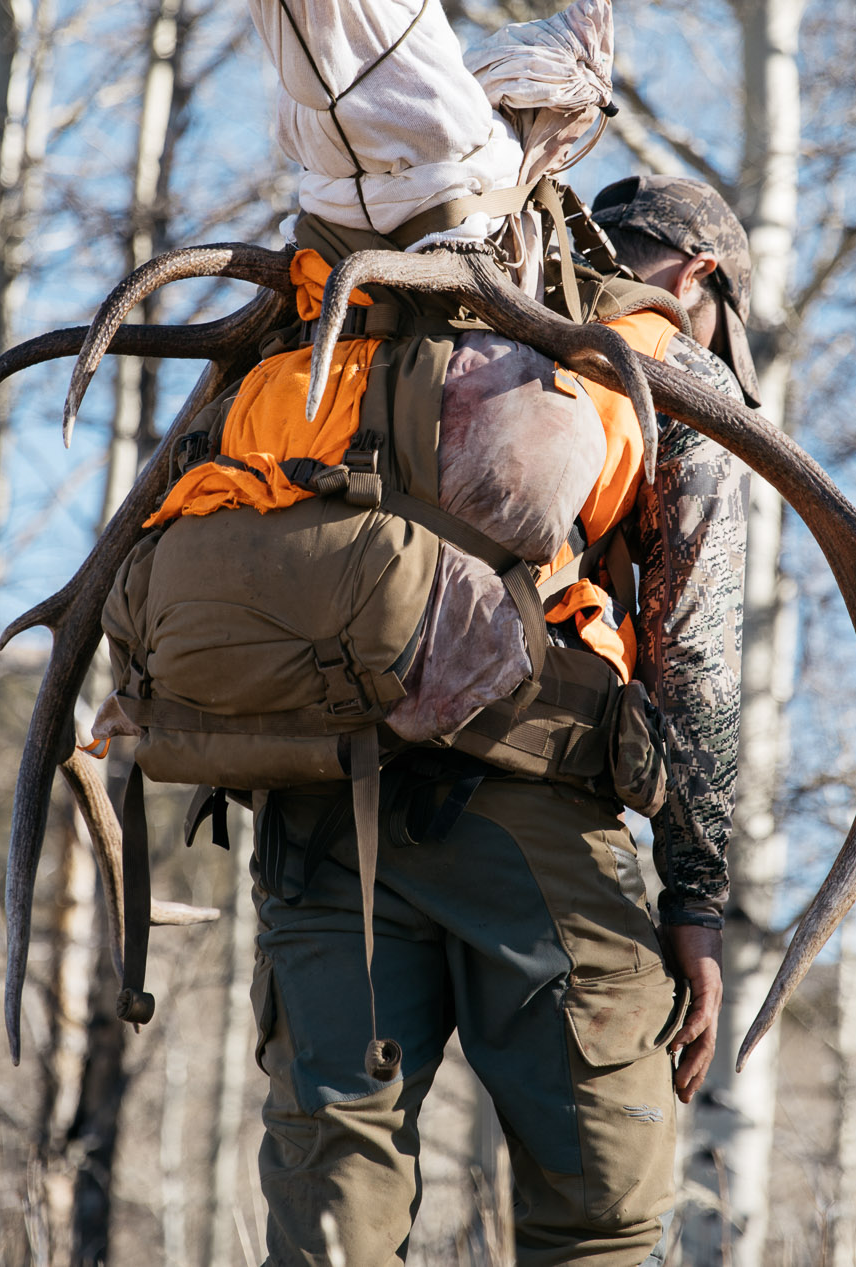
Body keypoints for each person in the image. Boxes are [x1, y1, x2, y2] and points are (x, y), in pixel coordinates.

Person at [246, 174, 755, 1267]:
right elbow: (695, 659)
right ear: (698, 275)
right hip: (532, 818)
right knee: (599, 1218)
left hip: (317, 804)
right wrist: (698, 900)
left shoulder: (357, 328)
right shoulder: (662, 366)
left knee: (332, 1210)